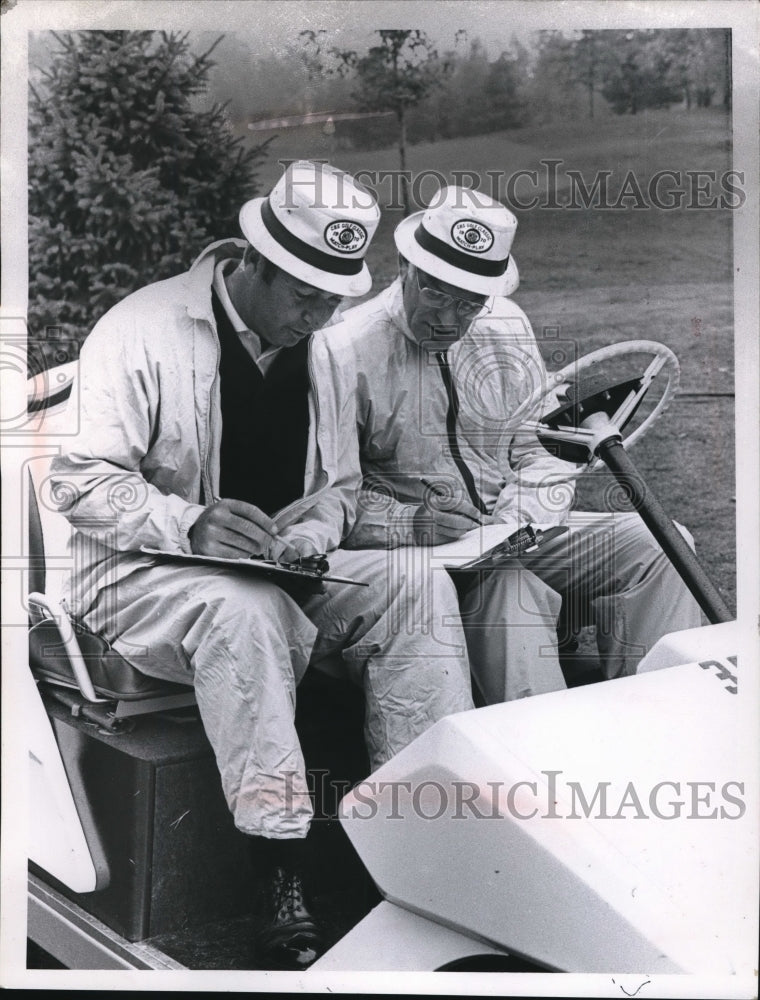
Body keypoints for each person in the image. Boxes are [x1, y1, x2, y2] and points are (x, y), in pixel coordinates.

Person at [49, 162, 475, 969]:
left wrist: (314, 531)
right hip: (137, 577)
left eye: (333, 301)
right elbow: (78, 480)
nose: (318, 317)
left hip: (277, 572)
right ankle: (279, 871)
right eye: (305, 297)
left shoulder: (320, 350)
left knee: (415, 587)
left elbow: (340, 489)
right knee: (243, 611)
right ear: (253, 265)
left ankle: (425, 847)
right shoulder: (140, 328)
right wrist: (188, 522)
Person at [316, 185, 702, 704]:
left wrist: (521, 516)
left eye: (470, 302)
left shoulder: (506, 324)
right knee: (509, 589)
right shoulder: (345, 351)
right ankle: (542, 767)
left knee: (661, 544)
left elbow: (542, 444)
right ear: (404, 266)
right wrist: (413, 522)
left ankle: (663, 720)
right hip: (419, 565)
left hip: (511, 536)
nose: (450, 320)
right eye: (435, 292)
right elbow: (327, 500)